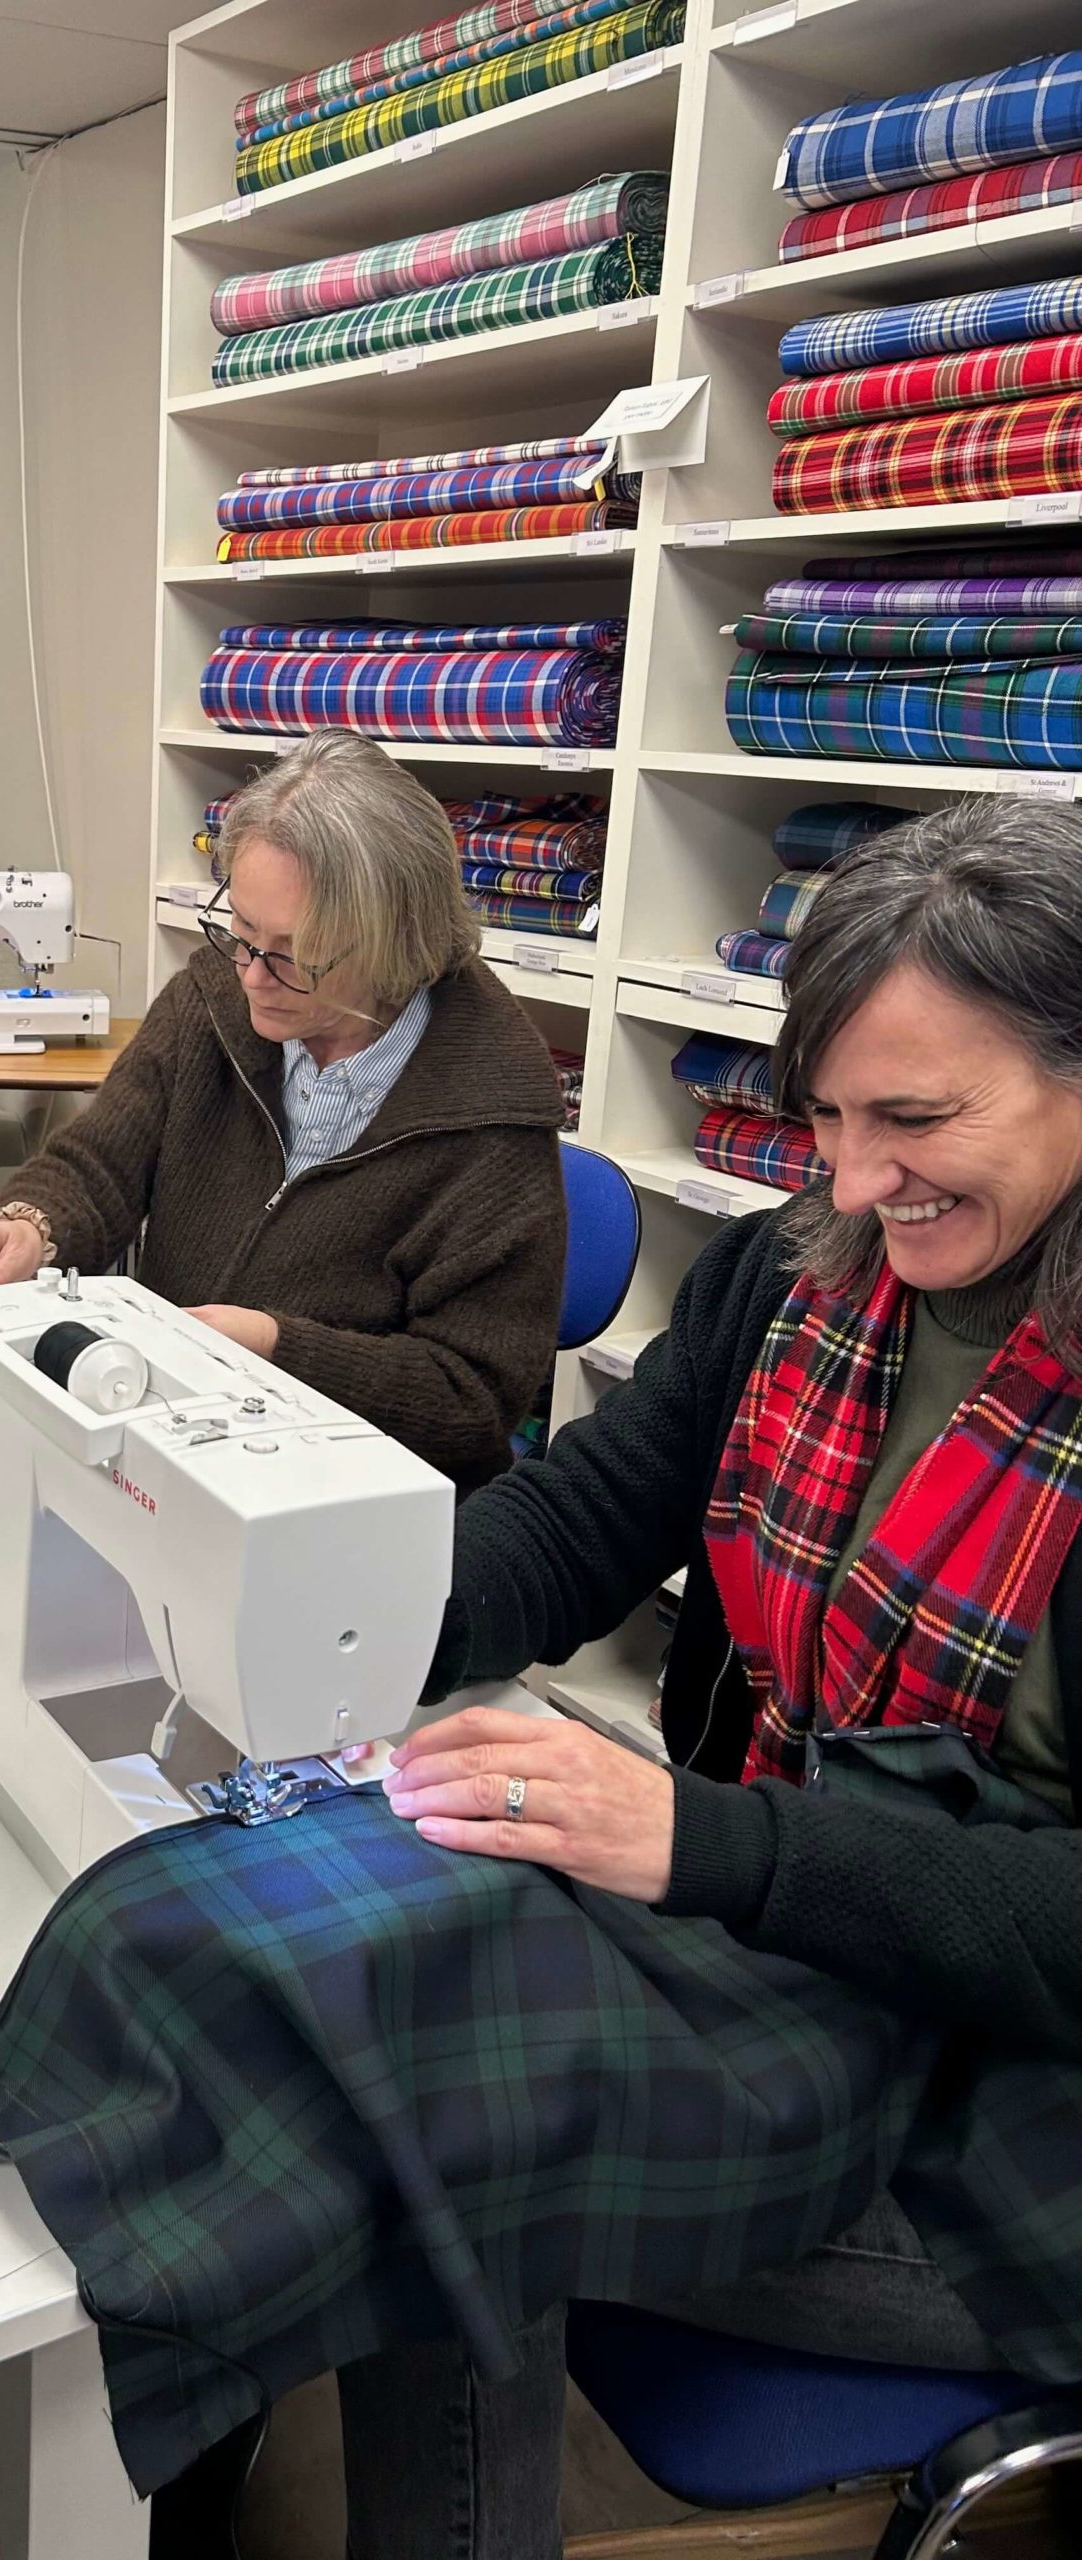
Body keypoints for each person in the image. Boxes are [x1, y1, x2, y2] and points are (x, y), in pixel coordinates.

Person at [332, 795, 1082, 2555]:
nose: (849, 1176)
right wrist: (337, 1623)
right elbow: (585, 1516)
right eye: (823, 1114)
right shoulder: (801, 1277)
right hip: (830, 1975)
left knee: (441, 2170)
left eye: (913, 1118)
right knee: (380, 2027)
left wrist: (708, 1845)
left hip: (1032, 2121)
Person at [0, 729, 566, 1487]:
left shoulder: (491, 1125)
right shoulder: (212, 1002)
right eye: (240, 931)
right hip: (176, 1445)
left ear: (395, 943)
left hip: (347, 1498)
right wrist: (29, 1228)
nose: (251, 976)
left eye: (291, 954)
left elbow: (471, 1400)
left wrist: (275, 1350)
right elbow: (101, 1163)